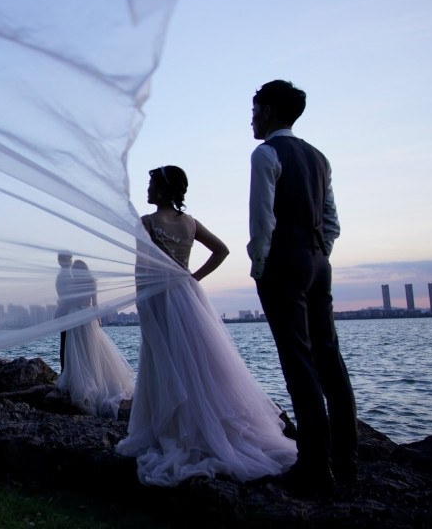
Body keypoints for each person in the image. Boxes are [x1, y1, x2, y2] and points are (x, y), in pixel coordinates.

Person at [115, 165, 297, 487]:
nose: (148, 190)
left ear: (164, 189)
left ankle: (175, 431)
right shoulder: (190, 222)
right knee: (198, 362)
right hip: (187, 295)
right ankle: (206, 426)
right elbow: (222, 250)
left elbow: (141, 268)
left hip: (158, 298)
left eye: (152, 184)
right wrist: (192, 278)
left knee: (165, 362)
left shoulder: (147, 223)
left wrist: (143, 302)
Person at [248, 80, 357, 494]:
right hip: (317, 261)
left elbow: (262, 219)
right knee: (329, 357)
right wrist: (318, 251)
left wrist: (261, 264)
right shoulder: (319, 157)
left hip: (284, 260)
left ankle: (314, 466)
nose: (252, 119)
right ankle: (346, 460)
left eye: (255, 110)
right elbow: (332, 221)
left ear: (269, 111)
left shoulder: (266, 154)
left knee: (298, 361)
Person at [55, 259, 135, 418]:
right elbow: (95, 303)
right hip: (88, 318)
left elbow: (67, 302)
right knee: (92, 351)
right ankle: (98, 381)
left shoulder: (74, 283)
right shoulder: (92, 282)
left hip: (76, 318)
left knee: (78, 352)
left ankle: (83, 383)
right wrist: (97, 319)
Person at [54, 251, 76, 372]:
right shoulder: (65, 276)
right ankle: (66, 370)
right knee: (67, 343)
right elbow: (68, 295)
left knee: (66, 342)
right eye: (69, 259)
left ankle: (66, 370)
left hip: (65, 311)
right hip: (67, 312)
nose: (71, 262)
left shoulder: (63, 275)